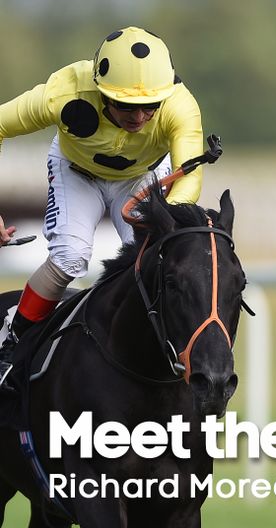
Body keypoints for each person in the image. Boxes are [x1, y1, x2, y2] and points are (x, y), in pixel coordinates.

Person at [0, 26, 205, 390]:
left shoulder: (180, 104)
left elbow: (189, 174)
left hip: (142, 177)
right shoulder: (63, 92)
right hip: (76, 173)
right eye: (126, 104)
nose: (140, 117)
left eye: (150, 106)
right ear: (99, 90)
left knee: (156, 257)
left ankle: (169, 354)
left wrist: (167, 226)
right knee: (70, 257)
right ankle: (12, 342)